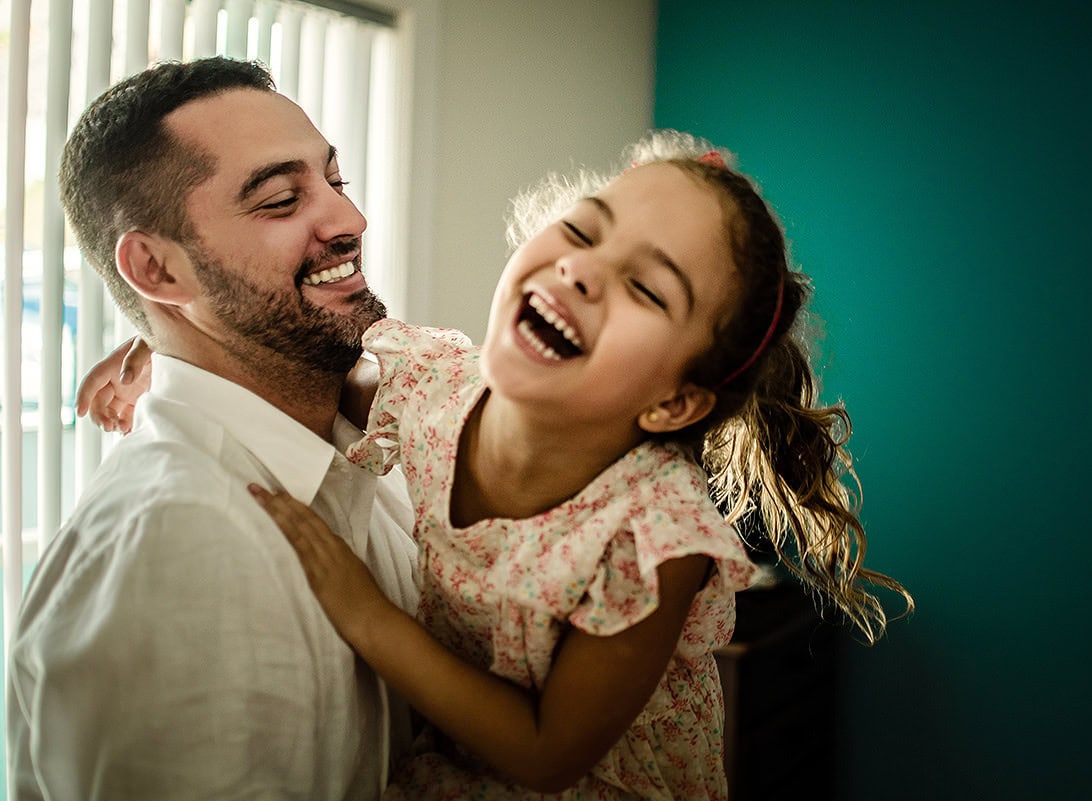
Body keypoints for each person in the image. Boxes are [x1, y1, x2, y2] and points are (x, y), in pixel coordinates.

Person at [246, 132, 915, 799]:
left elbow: (548, 754)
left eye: (647, 290)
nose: (582, 270)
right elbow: (306, 378)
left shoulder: (653, 536)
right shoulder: (432, 390)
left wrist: (363, 613)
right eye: (582, 230)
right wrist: (166, 360)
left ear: (675, 400)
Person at [5, 57, 420, 799]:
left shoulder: (368, 457)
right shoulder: (181, 543)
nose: (350, 221)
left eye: (337, 182)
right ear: (159, 272)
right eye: (281, 199)